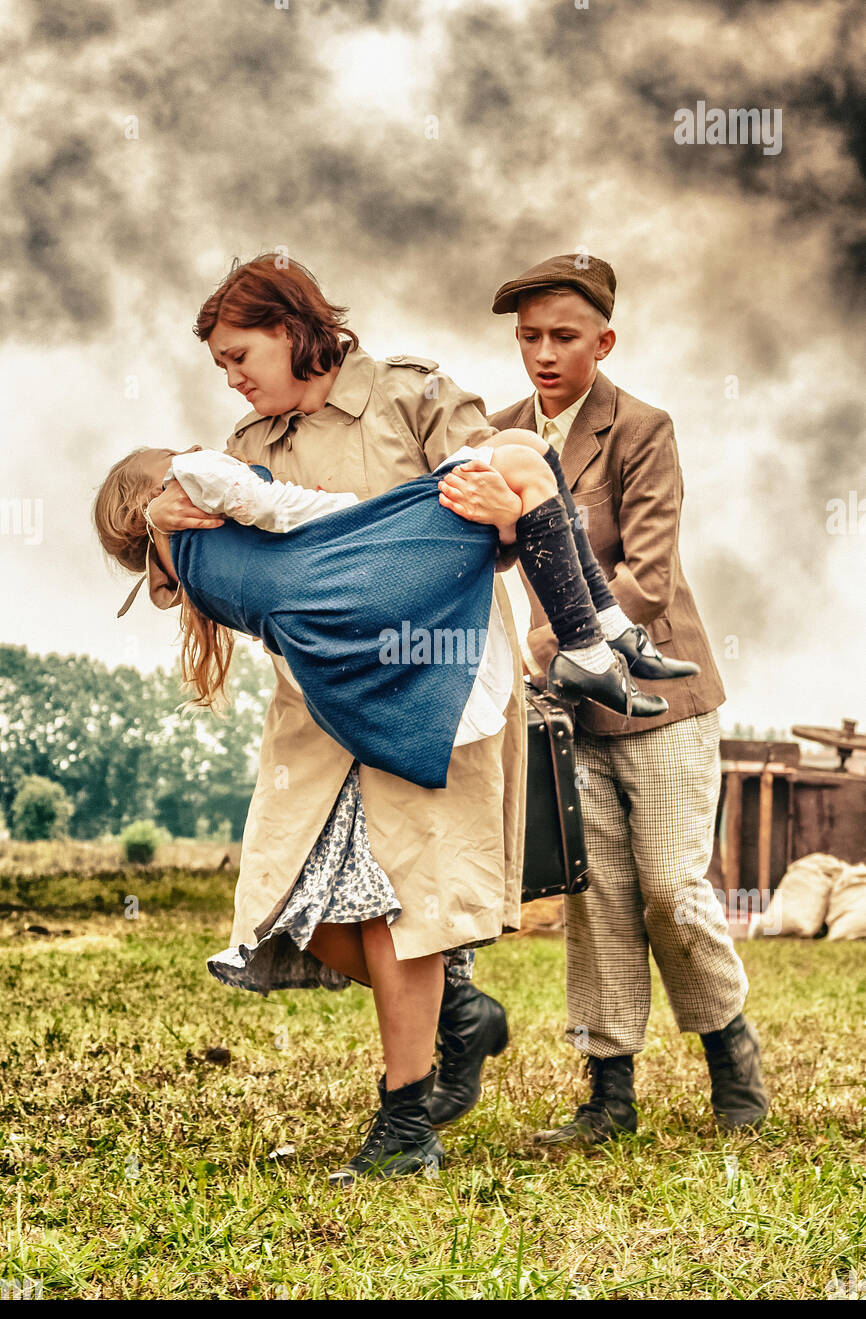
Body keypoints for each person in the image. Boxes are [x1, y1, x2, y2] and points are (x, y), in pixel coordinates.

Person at [103, 255, 664, 1184]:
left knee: (401, 907)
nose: (232, 378)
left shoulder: (413, 394)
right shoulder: (245, 442)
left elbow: (507, 500)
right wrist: (157, 527)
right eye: (222, 367)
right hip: (319, 702)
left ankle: (405, 1126)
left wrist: (488, 512)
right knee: (301, 912)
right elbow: (213, 577)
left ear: (292, 328)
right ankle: (457, 1013)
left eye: (241, 355)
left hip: (430, 680)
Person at [446, 252, 768, 1139]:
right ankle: (609, 1097)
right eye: (528, 337)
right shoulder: (496, 436)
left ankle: (730, 1056)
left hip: (662, 693)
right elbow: (477, 561)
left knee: (670, 888)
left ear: (605, 340)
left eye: (563, 336)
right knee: (598, 898)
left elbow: (650, 579)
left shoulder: (643, 429)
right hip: (564, 712)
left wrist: (542, 649)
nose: (543, 353)